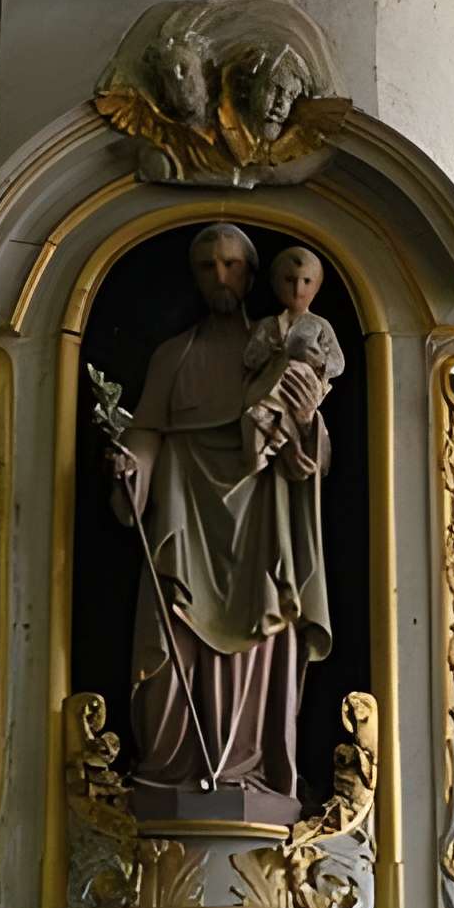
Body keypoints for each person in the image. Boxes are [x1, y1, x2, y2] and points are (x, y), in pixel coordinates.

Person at [104, 224, 332, 806]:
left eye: (232, 265)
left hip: (258, 513)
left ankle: (246, 767)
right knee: (175, 632)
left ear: (253, 275)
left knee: (258, 637)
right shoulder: (174, 354)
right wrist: (133, 471)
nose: (221, 277)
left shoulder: (280, 353)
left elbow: (310, 458)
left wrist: (305, 424)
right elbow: (148, 430)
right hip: (184, 509)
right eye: (208, 267)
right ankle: (172, 768)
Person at [241, 246, 343, 477]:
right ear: (277, 284)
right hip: (270, 382)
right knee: (256, 415)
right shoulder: (269, 324)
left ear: (316, 287)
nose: (298, 289)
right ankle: (278, 447)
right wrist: (271, 352)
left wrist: (318, 360)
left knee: (292, 380)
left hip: (304, 382)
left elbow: (338, 363)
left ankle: (286, 443)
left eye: (306, 281)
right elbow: (250, 358)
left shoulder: (319, 325)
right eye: (289, 280)